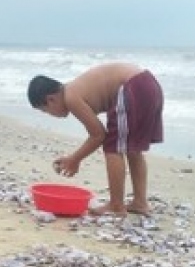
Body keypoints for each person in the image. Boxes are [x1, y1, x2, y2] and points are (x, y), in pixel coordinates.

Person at [27, 63, 164, 216]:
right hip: (149, 84)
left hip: (132, 87)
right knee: (132, 148)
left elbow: (98, 135)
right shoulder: (75, 89)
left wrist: (74, 159)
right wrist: (75, 159)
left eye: (45, 111)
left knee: (113, 146)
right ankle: (140, 202)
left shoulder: (71, 97)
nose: (50, 115)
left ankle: (116, 205)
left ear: (51, 99)